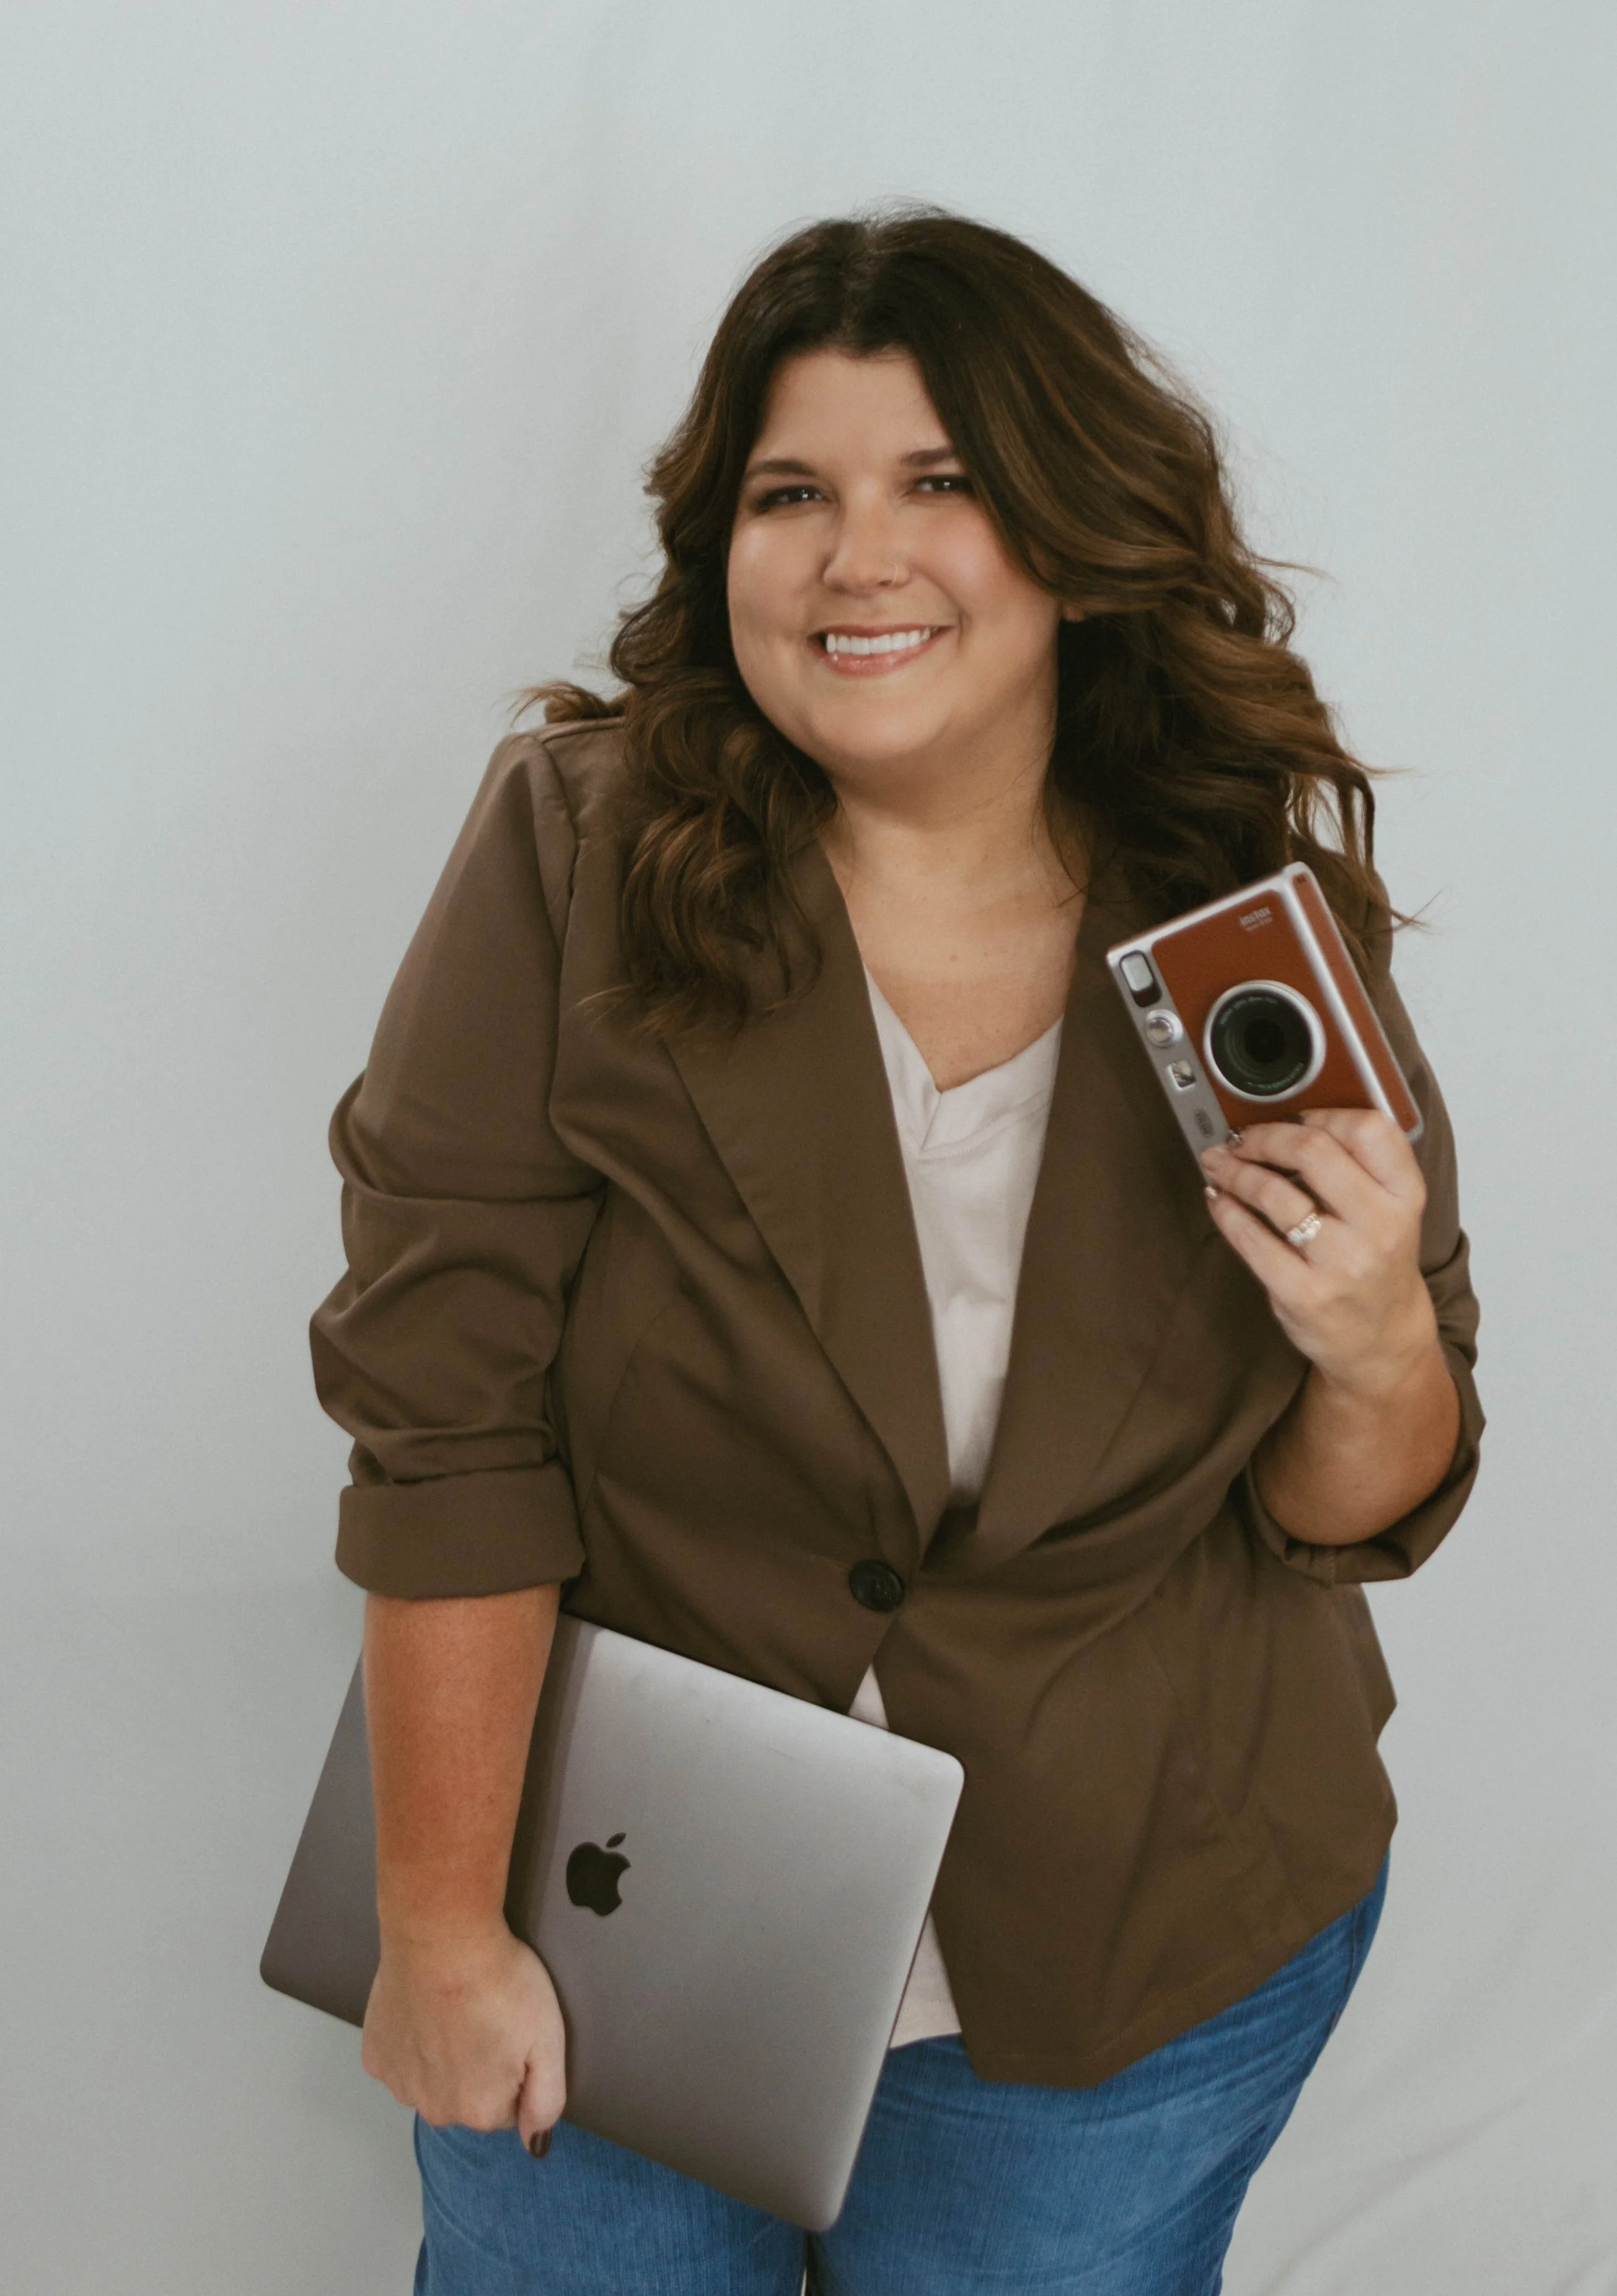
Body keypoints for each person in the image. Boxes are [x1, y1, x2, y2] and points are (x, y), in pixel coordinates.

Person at [310, 210, 1482, 2296]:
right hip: (623, 1906)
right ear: (721, 547)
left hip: (1136, 1927)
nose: (861, 556)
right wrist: (435, 1923)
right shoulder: (572, 856)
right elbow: (447, 1427)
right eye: (793, 494)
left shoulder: (1248, 930)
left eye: (940, 482)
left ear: (1067, 530)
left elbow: (1342, 1510)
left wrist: (1375, 1338)